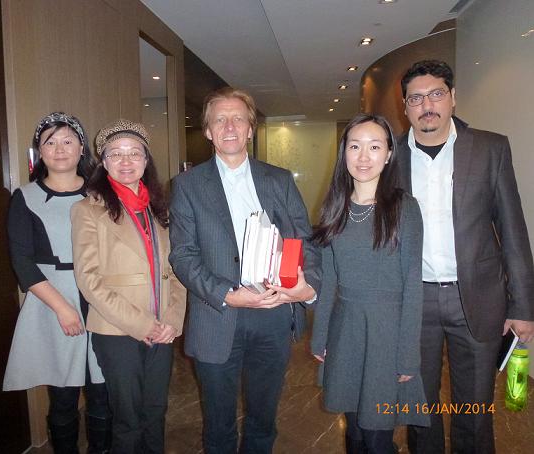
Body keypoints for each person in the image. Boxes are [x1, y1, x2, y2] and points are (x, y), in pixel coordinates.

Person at [168, 87, 321, 453]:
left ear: (251, 129)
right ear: (208, 131)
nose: (229, 126)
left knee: (263, 418)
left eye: (238, 118)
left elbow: (304, 240)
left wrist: (304, 286)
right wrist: (228, 294)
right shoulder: (187, 185)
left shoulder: (279, 179)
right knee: (218, 422)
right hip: (217, 314)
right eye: (219, 120)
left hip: (273, 312)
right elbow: (183, 255)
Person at [397, 60, 534, 454]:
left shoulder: (491, 148)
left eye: (436, 94)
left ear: (453, 97)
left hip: (477, 297)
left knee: (474, 410)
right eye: (416, 98)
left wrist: (523, 306)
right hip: (414, 301)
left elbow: (513, 228)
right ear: (405, 106)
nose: (427, 105)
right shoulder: (389, 156)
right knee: (418, 406)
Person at [310, 114, 428, 454]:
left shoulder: (404, 208)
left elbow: (413, 284)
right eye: (355, 146)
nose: (363, 157)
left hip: (386, 335)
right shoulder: (335, 207)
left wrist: (408, 355)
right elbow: (329, 279)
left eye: (374, 147)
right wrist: (320, 336)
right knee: (355, 433)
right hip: (346, 332)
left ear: (389, 154)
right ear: (344, 153)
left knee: (377, 434)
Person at [71, 119, 186, 453]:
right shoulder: (87, 210)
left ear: (146, 161)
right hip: (117, 331)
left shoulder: (160, 208)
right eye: (116, 154)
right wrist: (143, 324)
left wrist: (172, 320)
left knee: (156, 411)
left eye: (134, 153)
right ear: (103, 162)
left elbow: (177, 269)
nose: (126, 161)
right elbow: (89, 280)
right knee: (128, 419)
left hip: (163, 328)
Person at [3, 112, 111, 453]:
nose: (60, 148)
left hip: (100, 299)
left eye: (68, 140)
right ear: (40, 151)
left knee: (102, 392)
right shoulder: (25, 197)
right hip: (52, 301)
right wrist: (63, 308)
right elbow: (22, 261)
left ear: (82, 148)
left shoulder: (103, 194)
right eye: (50, 142)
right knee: (63, 395)